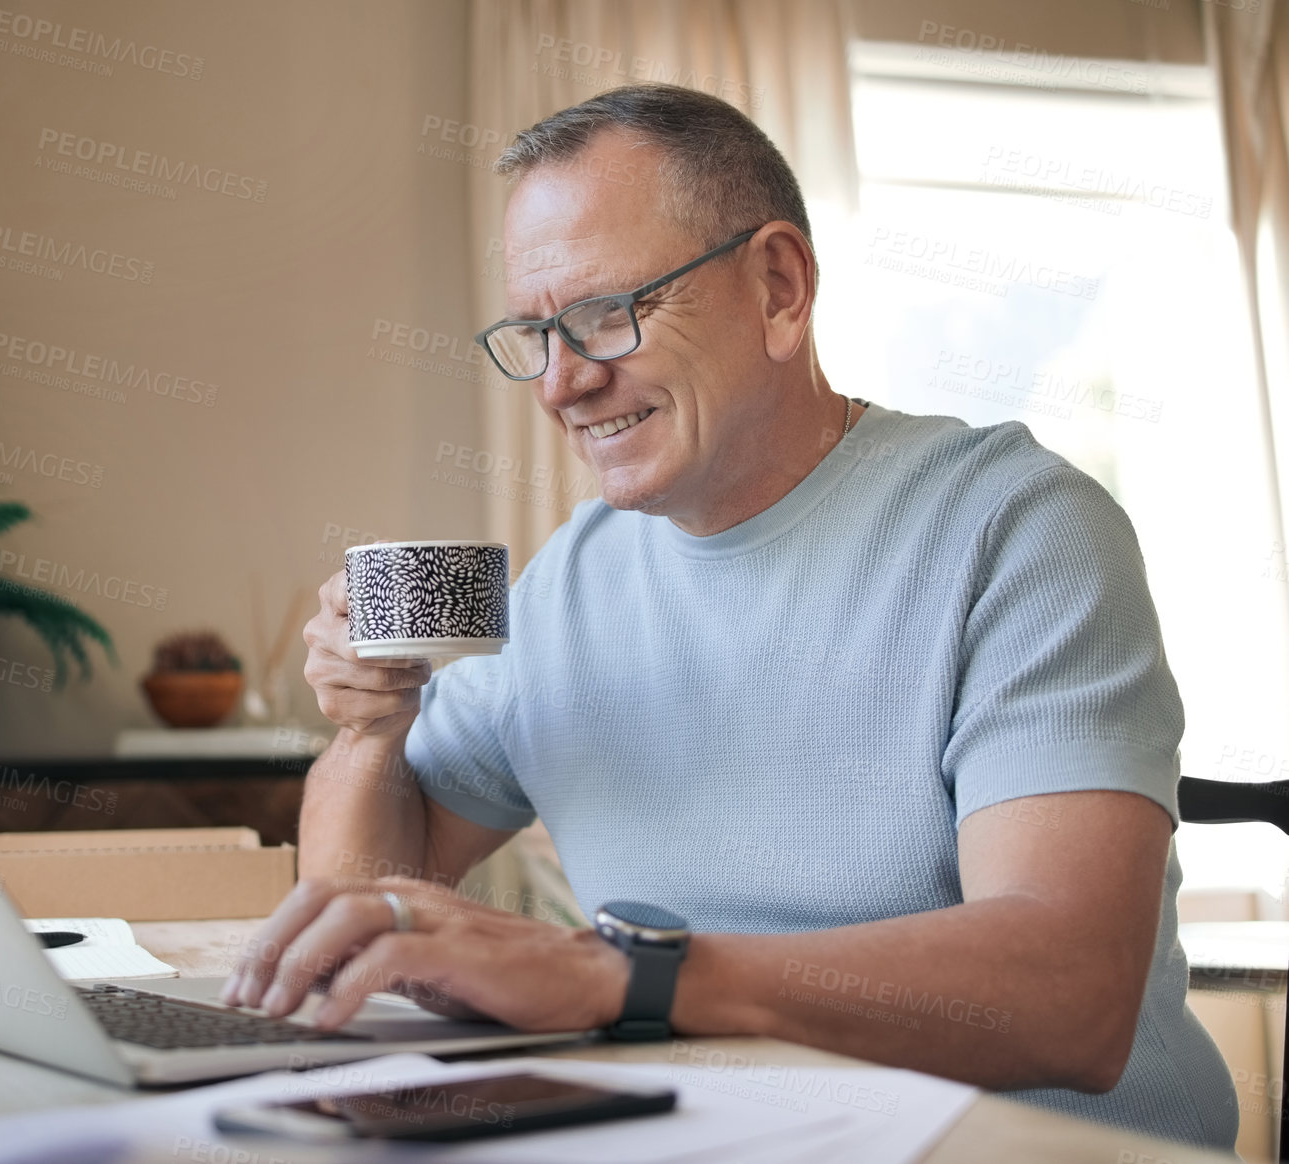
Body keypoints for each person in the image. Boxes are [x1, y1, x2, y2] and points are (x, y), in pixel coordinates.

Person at [221, 84, 1238, 1150]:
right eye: (535, 332)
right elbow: (368, 917)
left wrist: (615, 975)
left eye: (609, 313)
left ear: (779, 286)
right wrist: (371, 727)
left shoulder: (1016, 527)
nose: (563, 381)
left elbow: (1070, 993)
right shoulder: (573, 581)